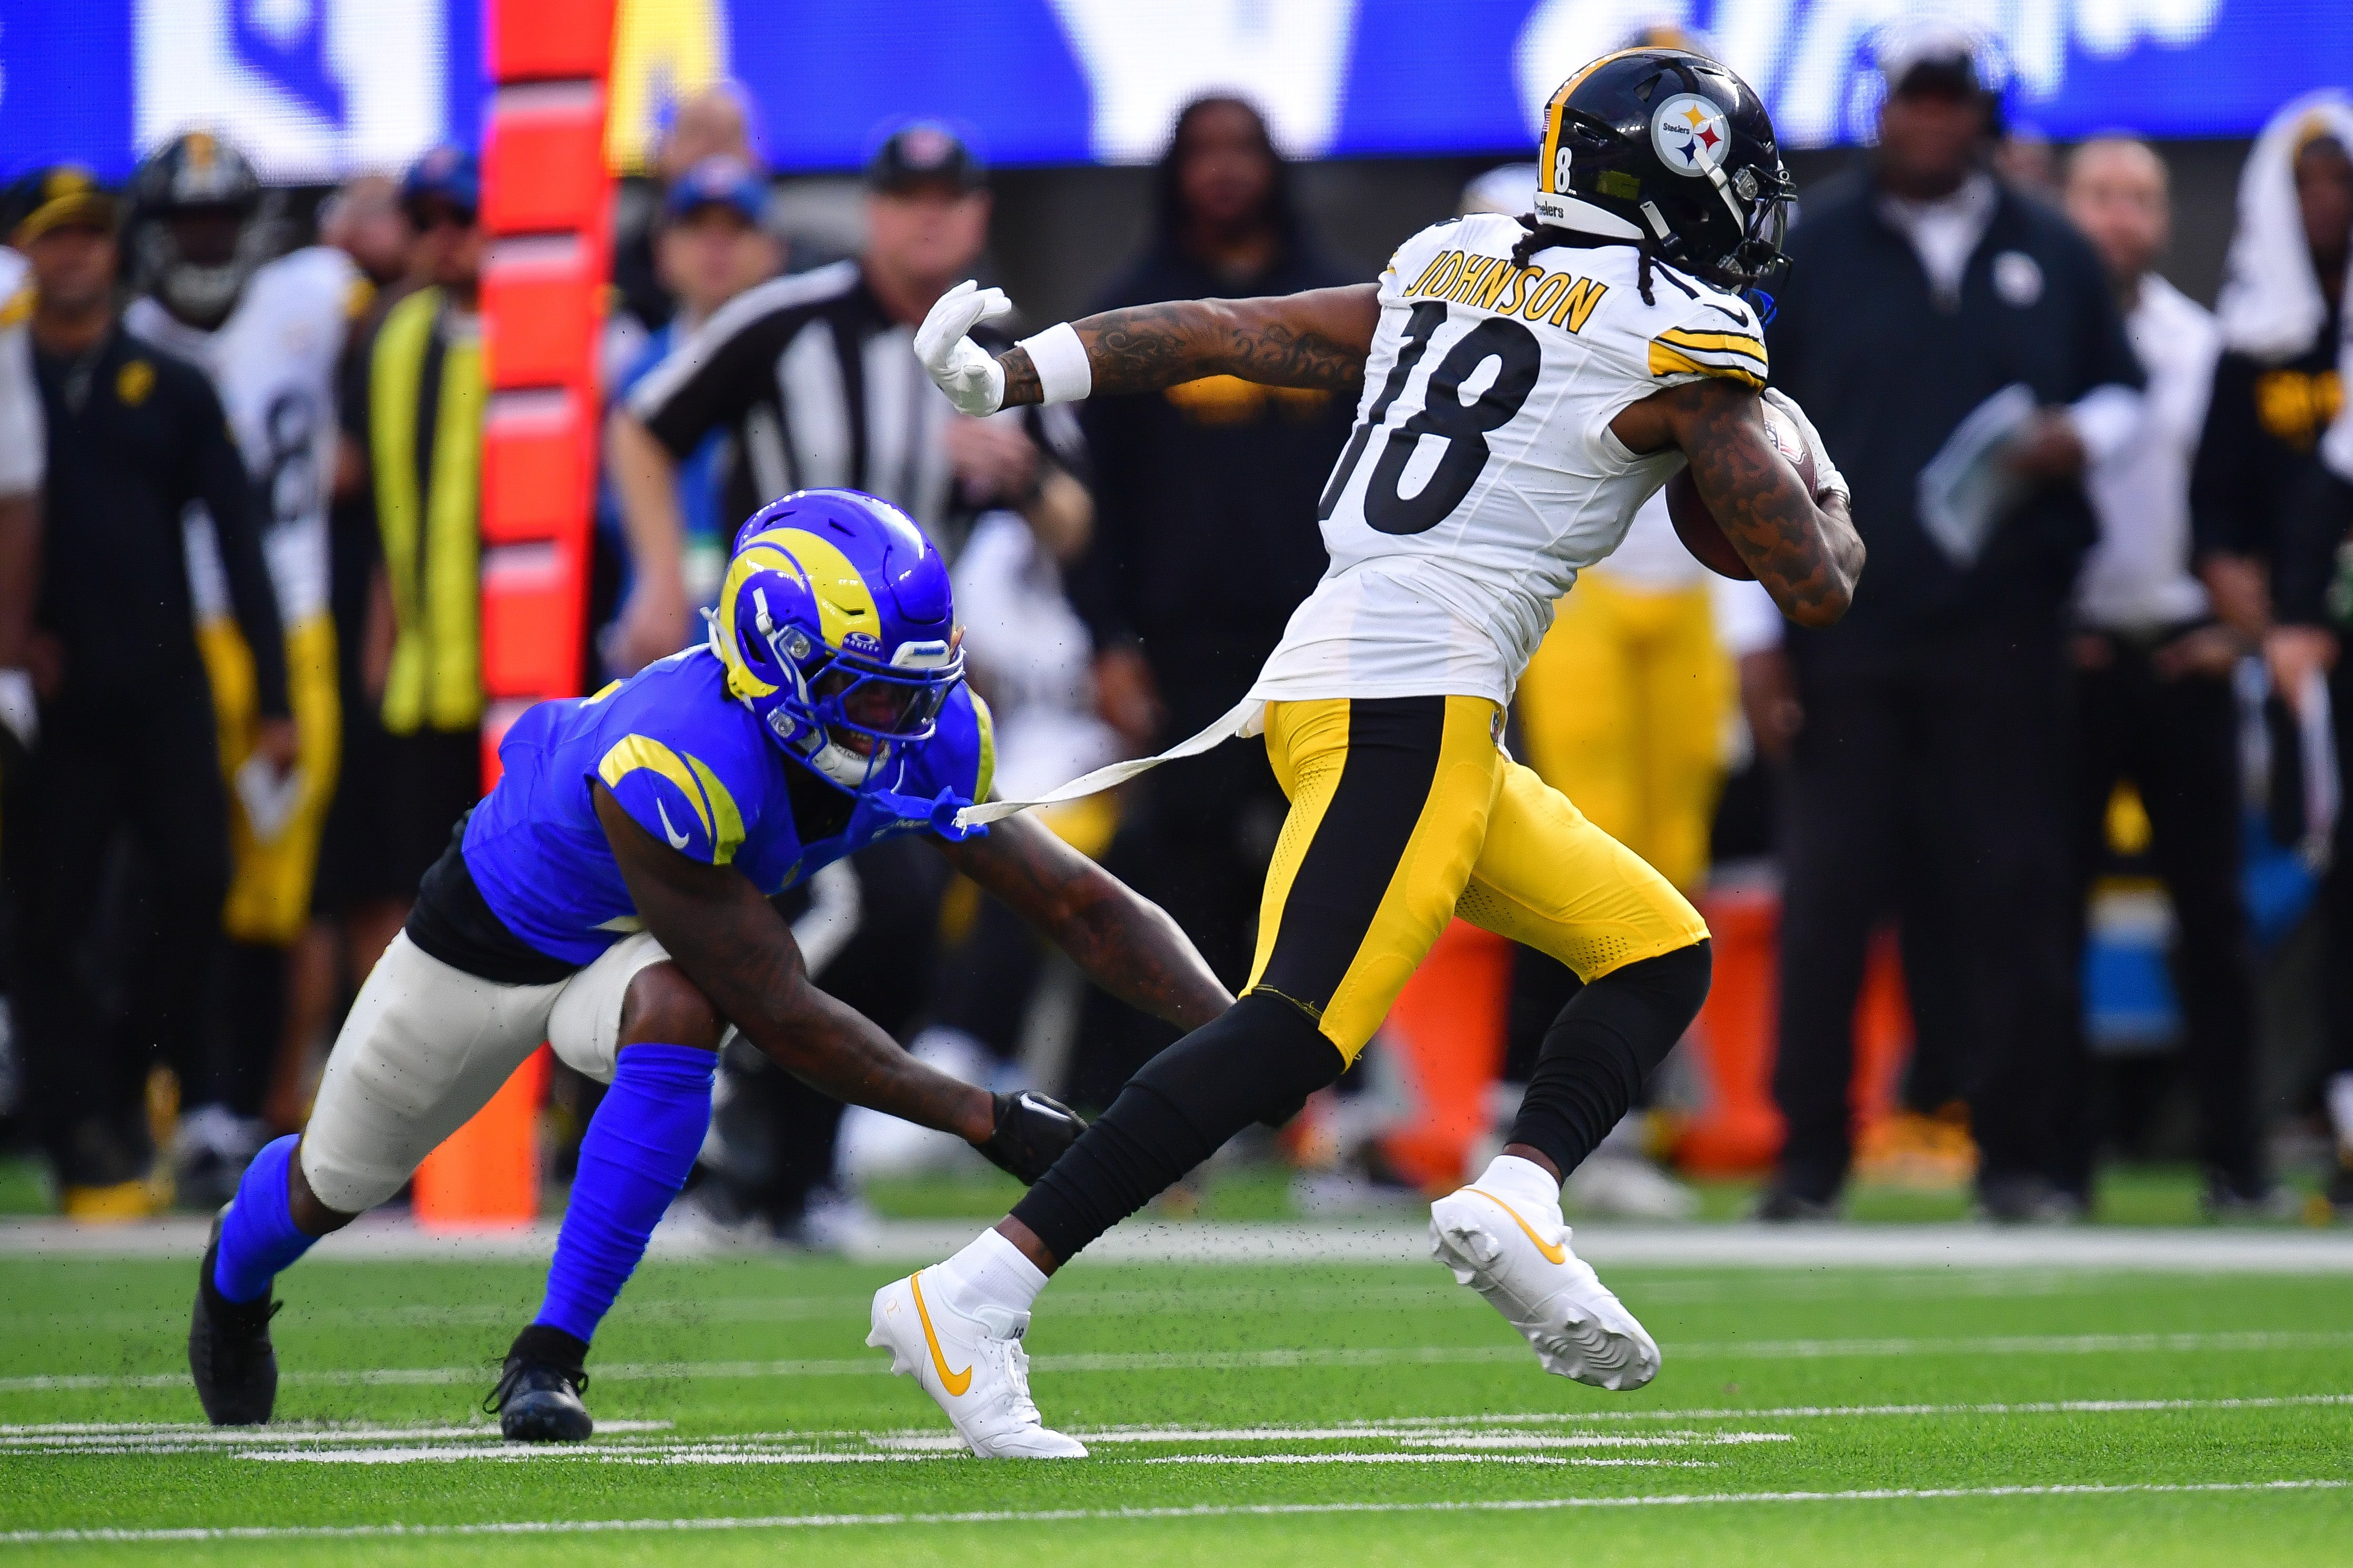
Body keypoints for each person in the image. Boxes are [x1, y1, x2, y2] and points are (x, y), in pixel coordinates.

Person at [890, 46, 1860, 1456]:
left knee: (1652, 946)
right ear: (1677, 173)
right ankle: (975, 1291)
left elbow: (1227, 326)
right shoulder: (1687, 337)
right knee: (1288, 1032)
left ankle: (1518, 1191)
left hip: (1365, 680)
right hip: (1409, 695)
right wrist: (1819, 478)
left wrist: (1020, 370)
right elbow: (1815, 579)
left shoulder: (1455, 255)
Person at [187, 489, 1231, 1439]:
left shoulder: (918, 725)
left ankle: (548, 1357)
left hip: (649, 954)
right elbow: (780, 1010)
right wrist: (985, 1118)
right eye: (865, 694)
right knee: (334, 1183)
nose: (901, 723)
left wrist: (1244, 1033)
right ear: (773, 660)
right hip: (493, 945)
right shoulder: (678, 754)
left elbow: (1078, 903)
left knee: (682, 1006)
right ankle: (231, 1288)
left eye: (914, 691)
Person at [1750, 24, 2143, 1222]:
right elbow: (1733, 436)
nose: (1930, 121)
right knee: (1829, 892)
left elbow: (2120, 384)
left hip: (2006, 623)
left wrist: (2087, 437)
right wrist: (1753, 634)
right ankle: (1808, 1155)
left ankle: (2017, 1154)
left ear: (1983, 114)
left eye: (1952, 101)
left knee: (2011, 889)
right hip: (1844, 617)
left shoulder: (2050, 246)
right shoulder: (1808, 246)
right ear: (1881, 110)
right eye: (1914, 99)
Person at [2, 167, 292, 1215]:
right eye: (54, 237)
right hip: (53, 703)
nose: (73, 254)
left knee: (193, 889)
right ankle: (80, 1121)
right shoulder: (7, 382)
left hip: (165, 691)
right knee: (48, 916)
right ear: (27, 251)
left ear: (114, 249)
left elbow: (238, 539)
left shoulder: (167, 384)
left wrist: (271, 693)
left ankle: (136, 1083)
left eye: (89, 235)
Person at [1056, 97, 1359, 1101]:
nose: (1225, 171)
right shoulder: (1137, 310)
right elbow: (1097, 507)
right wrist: (1107, 640)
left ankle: (1325, 1104)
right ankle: (1135, 1090)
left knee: (1333, 865)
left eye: (1245, 149)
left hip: (1320, 634)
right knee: (1169, 863)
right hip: (1183, 644)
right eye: (1203, 152)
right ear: (1172, 171)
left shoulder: (1335, 307)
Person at [122, 131, 366, 1206]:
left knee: (275, 892)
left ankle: (238, 1103)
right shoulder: (122, 334)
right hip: (171, 631)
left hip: (295, 620)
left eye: (223, 220)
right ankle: (165, 1096)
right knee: (174, 874)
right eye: (190, 222)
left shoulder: (317, 297)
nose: (208, 240)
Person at [607, 121, 1077, 677]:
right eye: (907, 197)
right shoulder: (785, 319)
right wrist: (660, 578)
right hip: (779, 646)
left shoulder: (1003, 347)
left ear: (979, 214)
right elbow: (640, 426)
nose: (929, 216)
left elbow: (1075, 524)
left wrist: (1025, 481)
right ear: (873, 210)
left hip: (917, 663)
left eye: (947, 199)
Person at [2056, 137, 2280, 1216]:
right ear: (2065, 206)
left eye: (2139, 200)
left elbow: (2247, 514)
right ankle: (2047, 1163)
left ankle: (2234, 1159)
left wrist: (2236, 636)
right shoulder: (2034, 336)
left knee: (2211, 920)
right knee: (2039, 917)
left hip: (2182, 653)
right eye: (2099, 197)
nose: (2119, 219)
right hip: (2070, 658)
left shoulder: (2204, 349)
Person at [2197, 94, 2353, 1213]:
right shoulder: (2250, 335)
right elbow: (2226, 507)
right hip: (2305, 650)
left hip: (2313, 619)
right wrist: (2272, 618)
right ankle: (2330, 1108)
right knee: (2327, 872)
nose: (2329, 203)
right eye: (2311, 181)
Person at [332, 147, 488, 979]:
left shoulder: (551, 325)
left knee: (528, 883)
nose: (442, 239)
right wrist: (377, 639)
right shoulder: (395, 333)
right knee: (414, 881)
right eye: (422, 221)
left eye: (459, 218)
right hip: (418, 669)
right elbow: (387, 506)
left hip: (518, 669)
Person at [598, 155, 785, 658]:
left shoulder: (798, 363)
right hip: (663, 628)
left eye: (736, 229)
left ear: (772, 250)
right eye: (697, 229)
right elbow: (609, 507)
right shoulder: (636, 368)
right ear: (663, 251)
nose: (716, 248)